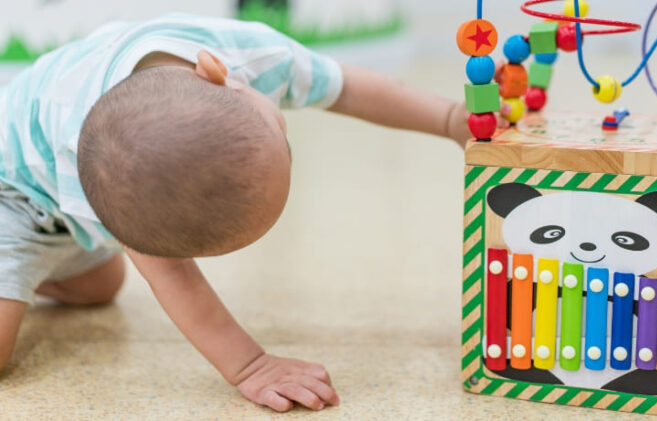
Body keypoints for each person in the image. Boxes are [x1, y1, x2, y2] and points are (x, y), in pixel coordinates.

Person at [0, 14, 494, 412]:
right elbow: (175, 276)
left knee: (100, 289)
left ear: (220, 74)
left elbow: (346, 88)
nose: (286, 134)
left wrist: (451, 120)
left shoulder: (251, 51)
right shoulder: (118, 169)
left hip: (68, 208)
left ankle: (36, 269)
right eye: (282, 134)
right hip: (11, 192)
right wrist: (251, 366)